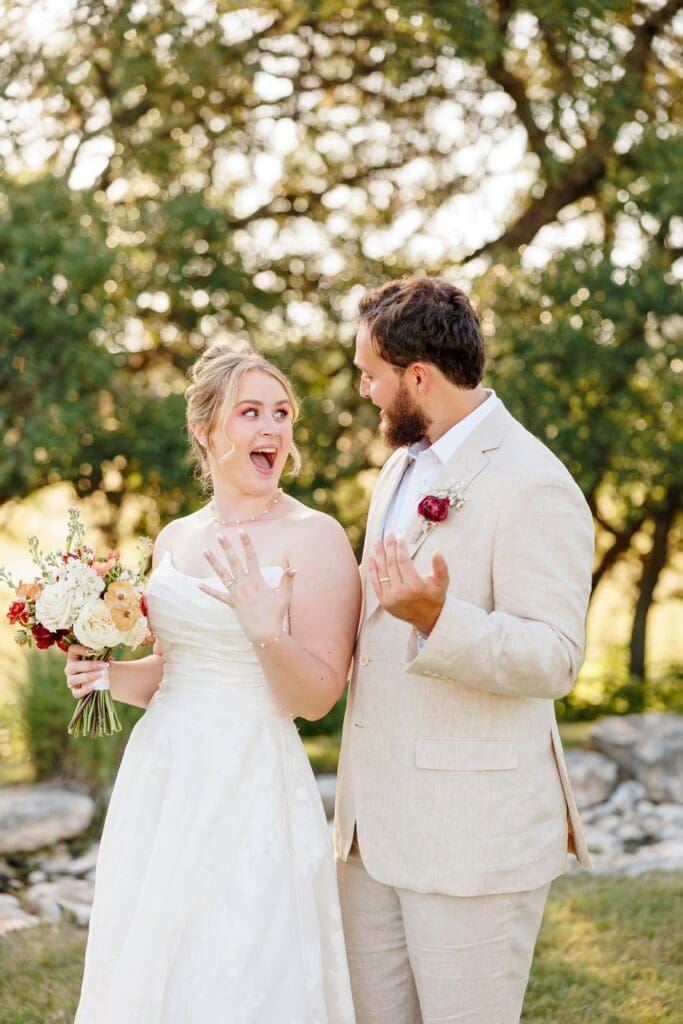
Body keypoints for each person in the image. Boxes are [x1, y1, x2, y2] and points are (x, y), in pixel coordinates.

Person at [66, 344, 360, 1024]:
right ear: (204, 430)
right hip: (165, 775)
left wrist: (265, 631)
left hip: (250, 778)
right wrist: (105, 675)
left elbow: (318, 698)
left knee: (241, 960)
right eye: (250, 412)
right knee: (155, 960)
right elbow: (173, 671)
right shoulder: (175, 537)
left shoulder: (315, 537)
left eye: (281, 413)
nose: (271, 428)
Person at [334, 277, 595, 1024]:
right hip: (370, 832)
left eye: (371, 374)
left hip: (472, 837)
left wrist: (437, 619)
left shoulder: (534, 481)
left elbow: (555, 656)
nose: (364, 390)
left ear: (417, 376)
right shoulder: (398, 469)